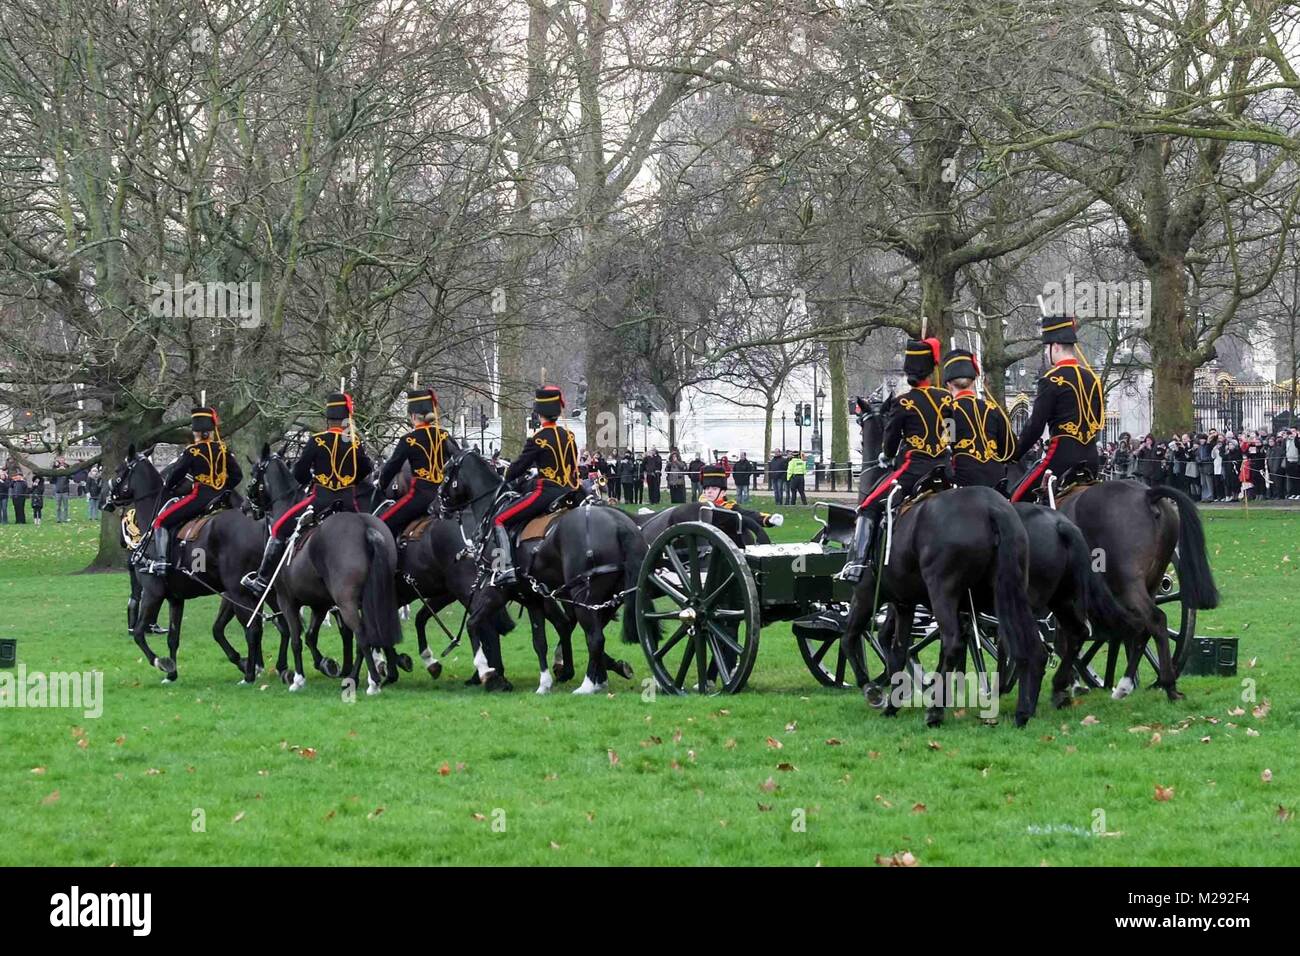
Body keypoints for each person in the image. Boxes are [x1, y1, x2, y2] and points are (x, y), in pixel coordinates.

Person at [843, 337, 952, 583]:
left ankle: (856, 564)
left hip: (914, 471)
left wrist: (886, 455)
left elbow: (890, 445)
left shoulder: (904, 402)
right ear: (932, 370)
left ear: (909, 372)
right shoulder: (946, 398)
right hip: (946, 470)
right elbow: (951, 434)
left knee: (868, 505)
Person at [244, 393, 371, 594]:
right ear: (345, 418)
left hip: (321, 501)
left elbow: (300, 473)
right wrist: (349, 480)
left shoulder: (318, 440)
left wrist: (311, 477)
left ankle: (261, 580)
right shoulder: (355, 442)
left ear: (328, 419)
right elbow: (366, 468)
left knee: (278, 528)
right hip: (348, 503)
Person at [484, 386, 581, 586]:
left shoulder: (538, 438)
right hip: (569, 492)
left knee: (499, 520)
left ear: (539, 413)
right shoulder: (569, 436)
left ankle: (506, 567)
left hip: (545, 491)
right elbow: (572, 466)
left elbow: (516, 470)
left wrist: (508, 472)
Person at [1009, 315, 1105, 502]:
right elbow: (1098, 420)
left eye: (1047, 348)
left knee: (1016, 500)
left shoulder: (1051, 379)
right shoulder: (1093, 379)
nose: (1046, 353)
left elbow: (1035, 426)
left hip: (1061, 461)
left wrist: (1014, 454)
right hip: (1092, 462)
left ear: (1056, 347)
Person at [144, 406, 242, 574]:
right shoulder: (224, 449)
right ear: (210, 431)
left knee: (160, 521)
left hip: (200, 497)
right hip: (222, 497)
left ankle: (161, 562)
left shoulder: (192, 451)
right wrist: (223, 486)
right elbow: (237, 475)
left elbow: (176, 474)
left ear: (196, 432)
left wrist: (170, 487)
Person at [376, 386, 458, 539]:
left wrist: (382, 483)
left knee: (381, 524)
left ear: (413, 416)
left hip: (420, 497)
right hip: (444, 497)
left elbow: (392, 467)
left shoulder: (409, 439)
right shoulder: (444, 435)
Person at [942, 348, 1014, 488]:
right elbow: (1009, 451)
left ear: (949, 385)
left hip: (963, 481)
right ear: (974, 381)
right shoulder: (992, 409)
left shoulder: (949, 412)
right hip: (996, 480)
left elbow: (947, 447)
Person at [52, 456, 71, 523]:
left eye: (63, 459)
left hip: (65, 490)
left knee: (65, 506)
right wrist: (57, 470)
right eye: (60, 460)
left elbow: (70, 476)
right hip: (58, 490)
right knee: (58, 506)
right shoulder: (56, 467)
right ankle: (58, 519)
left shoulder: (67, 467)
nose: (62, 461)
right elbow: (52, 478)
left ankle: (65, 518)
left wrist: (65, 470)